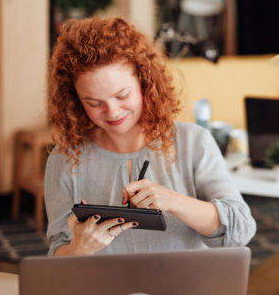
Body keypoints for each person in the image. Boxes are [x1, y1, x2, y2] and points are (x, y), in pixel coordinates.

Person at [44, 17, 256, 256]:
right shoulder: (64, 160)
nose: (112, 112)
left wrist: (173, 201)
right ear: (75, 101)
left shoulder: (193, 143)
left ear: (145, 82)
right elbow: (57, 252)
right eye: (94, 103)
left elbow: (241, 230)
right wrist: (78, 249)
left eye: (122, 95)